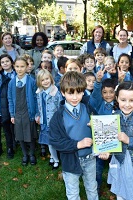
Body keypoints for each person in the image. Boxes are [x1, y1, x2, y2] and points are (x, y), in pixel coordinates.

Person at [49, 71, 99, 200]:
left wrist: (96, 129)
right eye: (71, 93)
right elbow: (56, 141)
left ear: (83, 91)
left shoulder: (89, 109)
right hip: (70, 160)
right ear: (63, 92)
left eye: (79, 92)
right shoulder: (58, 117)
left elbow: (101, 130)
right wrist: (78, 144)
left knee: (92, 187)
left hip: (90, 158)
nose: (75, 97)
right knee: (72, 192)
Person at [89, 72, 119, 194]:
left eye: (111, 92)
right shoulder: (98, 103)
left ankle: (115, 186)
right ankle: (97, 187)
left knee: (116, 166)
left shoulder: (119, 106)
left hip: (115, 140)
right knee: (98, 167)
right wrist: (98, 82)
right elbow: (95, 96)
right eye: (104, 92)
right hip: (100, 141)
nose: (108, 95)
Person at [8, 57, 39, 166]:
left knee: (30, 134)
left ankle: (31, 154)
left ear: (27, 67)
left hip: (28, 112)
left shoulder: (31, 81)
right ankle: (25, 154)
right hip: (18, 113)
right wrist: (12, 114)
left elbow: (36, 98)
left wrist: (37, 113)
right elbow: (10, 99)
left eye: (22, 66)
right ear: (14, 67)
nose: (20, 69)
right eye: (17, 66)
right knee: (20, 134)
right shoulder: (11, 83)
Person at [35, 69, 62, 170]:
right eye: (43, 80)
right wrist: (37, 115)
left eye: (47, 79)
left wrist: (59, 121)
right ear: (39, 82)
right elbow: (39, 106)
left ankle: (56, 160)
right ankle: (52, 156)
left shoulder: (56, 93)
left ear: (51, 79)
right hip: (44, 121)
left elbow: (60, 108)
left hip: (53, 121)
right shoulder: (39, 93)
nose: (45, 81)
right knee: (47, 141)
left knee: (51, 142)